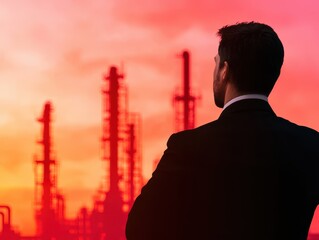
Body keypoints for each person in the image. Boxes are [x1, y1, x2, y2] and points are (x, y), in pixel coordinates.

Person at [126, 22, 319, 240]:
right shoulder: (310, 146)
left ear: (224, 70)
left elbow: (138, 229)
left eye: (216, 64)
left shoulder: (188, 148)